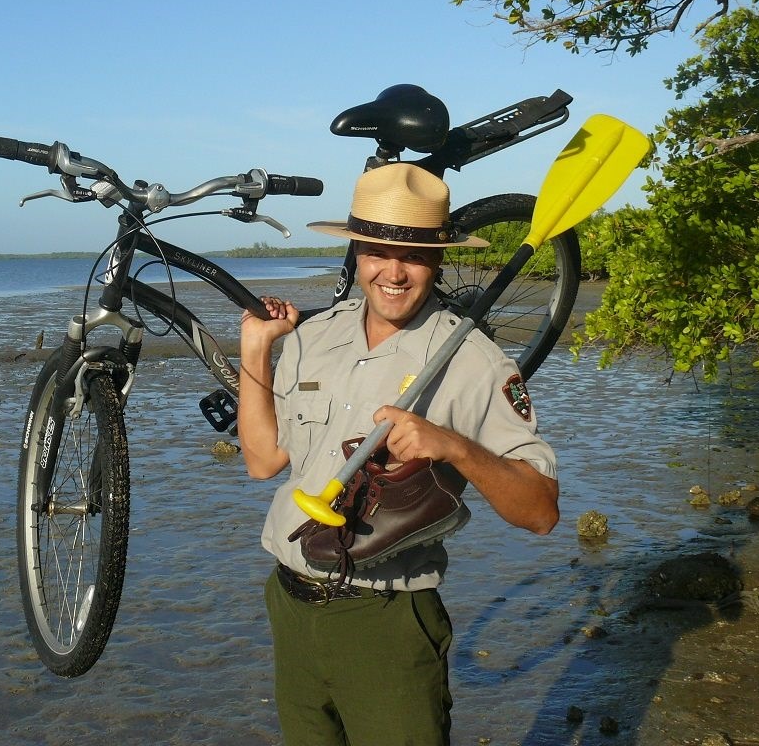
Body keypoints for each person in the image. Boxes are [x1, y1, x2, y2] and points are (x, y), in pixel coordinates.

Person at [238, 162, 559, 746]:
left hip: (386, 620)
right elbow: (262, 461)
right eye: (376, 252)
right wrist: (255, 351)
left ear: (439, 260)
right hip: (289, 605)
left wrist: (453, 446)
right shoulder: (313, 337)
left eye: (412, 255)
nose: (393, 272)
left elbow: (539, 512)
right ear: (356, 252)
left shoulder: (475, 362)